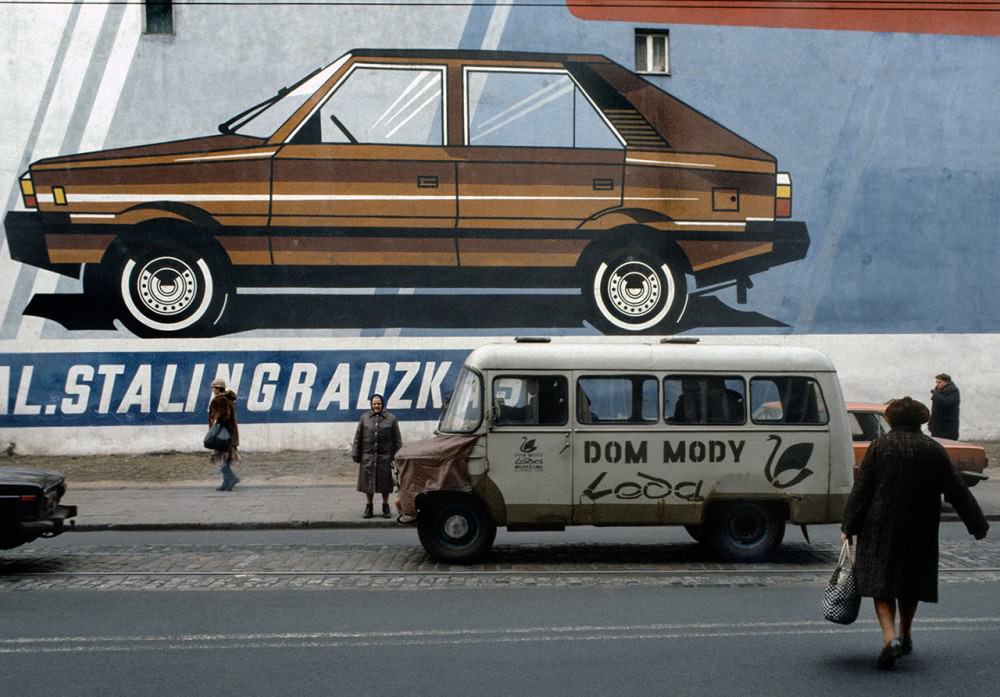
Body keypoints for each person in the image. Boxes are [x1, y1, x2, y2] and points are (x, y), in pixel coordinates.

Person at [841, 396, 988, 670]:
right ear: (921, 419)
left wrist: (849, 526)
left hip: (879, 525)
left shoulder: (879, 447)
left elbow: (862, 490)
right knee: (910, 581)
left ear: (891, 420)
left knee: (880, 583)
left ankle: (889, 637)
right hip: (919, 525)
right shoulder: (932, 449)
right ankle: (906, 634)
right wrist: (977, 524)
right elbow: (956, 489)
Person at [352, 394, 402, 519]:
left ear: (382, 404)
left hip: (385, 458)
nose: (376, 406)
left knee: (385, 484)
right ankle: (369, 507)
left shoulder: (391, 419)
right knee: (368, 484)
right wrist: (355, 453)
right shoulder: (364, 418)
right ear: (371, 404)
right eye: (374, 404)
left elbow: (397, 440)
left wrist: (397, 456)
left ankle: (386, 506)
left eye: (378, 403)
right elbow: (358, 437)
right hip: (367, 457)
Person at [208, 377, 241, 491]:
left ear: (218, 388)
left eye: (214, 388)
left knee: (221, 458)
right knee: (225, 460)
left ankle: (231, 479)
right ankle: (227, 482)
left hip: (223, 435)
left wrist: (215, 425)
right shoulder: (228, 399)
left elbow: (223, 416)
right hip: (230, 434)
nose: (213, 390)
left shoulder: (220, 400)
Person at [929, 373, 960, 439]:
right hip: (936, 426)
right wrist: (931, 423)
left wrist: (936, 395)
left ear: (946, 382)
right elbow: (935, 410)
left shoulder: (953, 391)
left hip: (948, 427)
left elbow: (948, 402)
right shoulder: (938, 391)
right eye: (936, 382)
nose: (937, 384)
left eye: (939, 382)